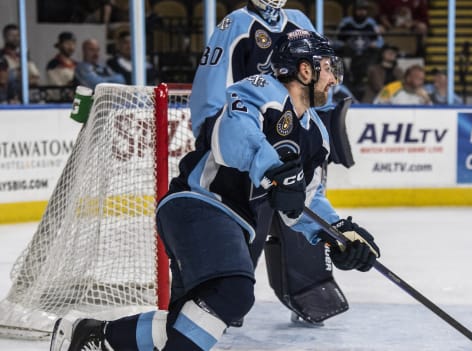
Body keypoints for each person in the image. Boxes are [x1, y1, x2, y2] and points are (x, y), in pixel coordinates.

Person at [49, 28, 380, 351]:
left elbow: (304, 201)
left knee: (189, 321)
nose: (335, 78)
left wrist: (337, 234)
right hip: (198, 205)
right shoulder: (260, 90)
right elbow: (232, 139)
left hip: (232, 224)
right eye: (328, 68)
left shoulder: (316, 134)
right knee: (234, 292)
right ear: (306, 69)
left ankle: (90, 335)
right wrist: (275, 173)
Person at [189, 0, 353, 326]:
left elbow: (320, 81)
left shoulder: (299, 21)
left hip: (291, 142)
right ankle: (219, 297)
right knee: (251, 219)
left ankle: (307, 288)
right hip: (248, 147)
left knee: (300, 206)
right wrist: (214, 135)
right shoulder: (237, 23)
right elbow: (213, 91)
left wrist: (340, 232)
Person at [334, 0, 384, 100]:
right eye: (359, 10)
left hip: (365, 55)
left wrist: (373, 44)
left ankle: (361, 85)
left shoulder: (371, 23)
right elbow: (336, 41)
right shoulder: (346, 22)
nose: (362, 12)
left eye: (364, 10)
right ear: (354, 11)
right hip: (348, 54)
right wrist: (345, 44)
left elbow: (380, 41)